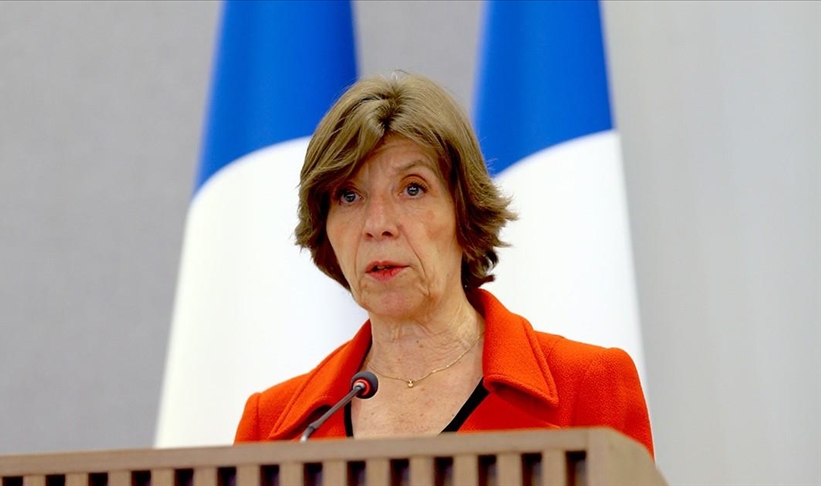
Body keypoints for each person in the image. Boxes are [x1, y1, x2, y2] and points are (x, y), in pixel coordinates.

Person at [234, 72, 654, 457]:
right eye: (349, 196)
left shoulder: (587, 387)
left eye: (412, 189)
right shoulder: (274, 428)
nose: (377, 225)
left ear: (464, 211)